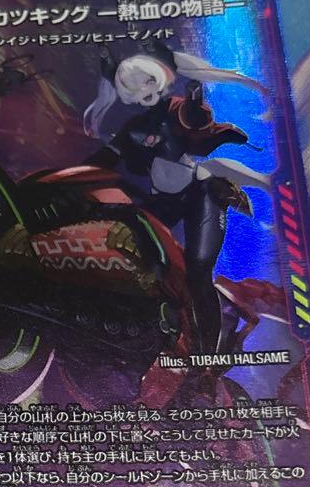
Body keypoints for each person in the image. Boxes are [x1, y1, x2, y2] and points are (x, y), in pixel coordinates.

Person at [83, 42, 272, 354]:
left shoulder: (176, 109)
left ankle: (207, 353)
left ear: (158, 79)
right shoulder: (133, 128)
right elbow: (104, 159)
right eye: (134, 86)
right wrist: (68, 180)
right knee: (147, 264)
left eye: (148, 81)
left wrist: (197, 104)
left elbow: (196, 128)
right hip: (160, 203)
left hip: (200, 196)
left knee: (198, 271)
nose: (144, 90)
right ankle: (169, 336)